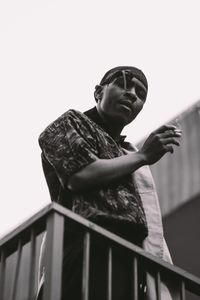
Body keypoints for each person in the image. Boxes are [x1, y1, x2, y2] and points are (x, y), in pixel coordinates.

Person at [37, 66, 182, 300]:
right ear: (98, 93)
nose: (133, 94)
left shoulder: (126, 152)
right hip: (86, 252)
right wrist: (143, 156)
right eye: (124, 83)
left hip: (132, 262)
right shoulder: (68, 123)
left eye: (141, 93)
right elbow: (80, 175)